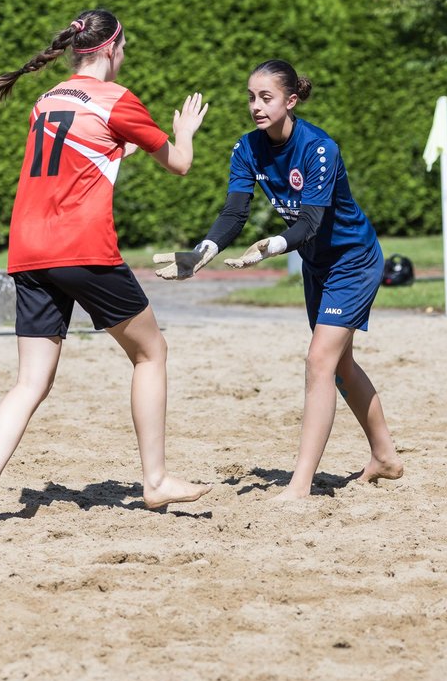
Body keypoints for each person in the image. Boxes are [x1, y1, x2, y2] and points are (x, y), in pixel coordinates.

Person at [0, 8, 212, 525]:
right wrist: (183, 131)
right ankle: (157, 480)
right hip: (83, 247)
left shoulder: (45, 100)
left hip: (28, 249)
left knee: (29, 382)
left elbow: (83, 157)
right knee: (150, 353)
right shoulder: (117, 99)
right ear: (112, 50)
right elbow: (180, 164)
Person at [153, 59, 403, 501]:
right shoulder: (247, 148)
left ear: (290, 101)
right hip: (317, 265)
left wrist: (272, 247)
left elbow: (308, 221)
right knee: (338, 365)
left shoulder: (319, 148)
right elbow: (234, 213)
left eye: (265, 97)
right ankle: (384, 456)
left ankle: (299, 486)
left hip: (353, 259)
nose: (255, 106)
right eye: (250, 97)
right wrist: (202, 253)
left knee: (319, 363)